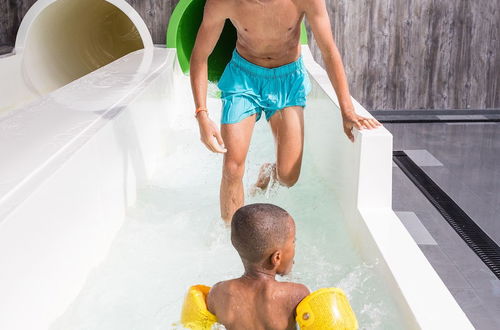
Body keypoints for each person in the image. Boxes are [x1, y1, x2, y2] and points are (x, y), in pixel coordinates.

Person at [190, 0, 383, 221]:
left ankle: (267, 173)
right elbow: (200, 56)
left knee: (289, 175)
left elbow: (329, 51)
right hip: (243, 78)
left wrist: (347, 110)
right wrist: (201, 114)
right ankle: (232, 240)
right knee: (232, 167)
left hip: (288, 80)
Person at [207, 203, 309, 329]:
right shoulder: (297, 294)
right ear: (276, 257)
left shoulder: (218, 293)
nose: (294, 247)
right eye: (293, 242)